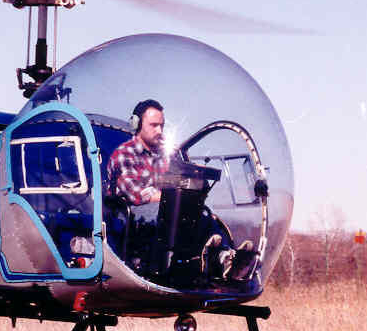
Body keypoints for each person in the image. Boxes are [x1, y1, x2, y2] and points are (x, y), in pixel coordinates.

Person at [106, 99, 256, 282]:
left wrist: (194, 181)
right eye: (153, 125)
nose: (159, 131)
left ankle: (227, 259)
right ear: (136, 124)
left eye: (161, 126)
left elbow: (182, 178)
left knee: (205, 215)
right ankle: (208, 259)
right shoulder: (125, 154)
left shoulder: (165, 154)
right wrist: (174, 197)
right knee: (173, 210)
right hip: (130, 215)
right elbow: (135, 194)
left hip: (164, 208)